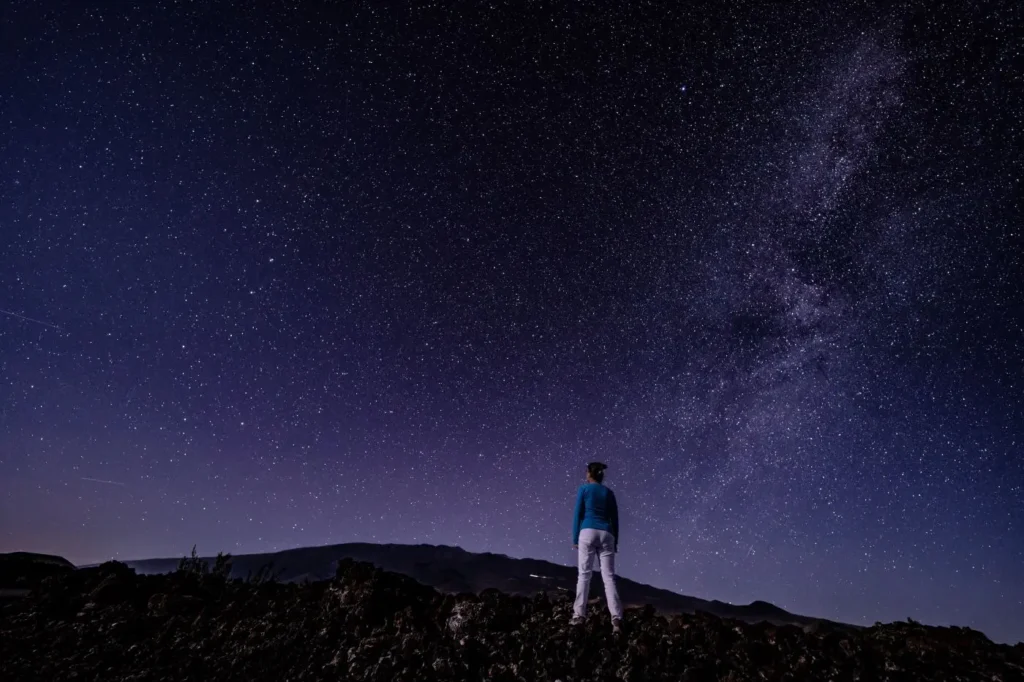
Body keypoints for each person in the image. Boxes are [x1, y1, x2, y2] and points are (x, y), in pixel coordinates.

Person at [571, 461, 623, 632]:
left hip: (587, 531)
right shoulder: (609, 493)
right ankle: (616, 618)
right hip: (607, 533)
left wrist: (575, 538)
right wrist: (615, 541)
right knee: (608, 578)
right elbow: (615, 519)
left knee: (584, 575)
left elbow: (578, 514)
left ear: (589, 474)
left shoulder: (584, 489)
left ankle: (579, 616)